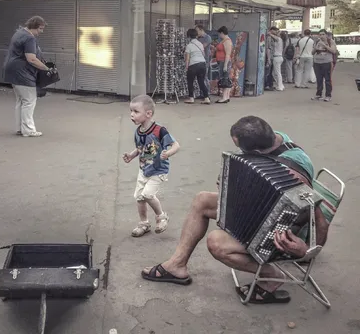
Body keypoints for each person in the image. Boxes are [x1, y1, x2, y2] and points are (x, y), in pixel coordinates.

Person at [141, 116, 330, 304]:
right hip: (259, 212)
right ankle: (177, 265)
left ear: (256, 150)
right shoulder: (276, 138)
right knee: (202, 200)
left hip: (282, 234)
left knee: (216, 243)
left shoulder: (294, 174)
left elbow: (319, 218)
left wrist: (307, 251)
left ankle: (271, 276)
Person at [123, 95, 180, 237]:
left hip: (158, 170)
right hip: (144, 170)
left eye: (136, 111)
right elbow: (140, 148)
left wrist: (168, 153)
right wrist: (131, 155)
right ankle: (144, 223)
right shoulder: (138, 132)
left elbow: (176, 145)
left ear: (148, 114)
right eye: (131, 111)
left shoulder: (159, 130)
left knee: (147, 194)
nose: (131, 114)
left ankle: (161, 217)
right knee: (139, 197)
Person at [4, 16, 50, 137]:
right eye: (40, 28)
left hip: (13, 71)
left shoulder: (19, 33)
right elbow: (32, 59)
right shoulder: (29, 38)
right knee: (29, 101)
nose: (41, 31)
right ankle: (29, 130)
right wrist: (46, 68)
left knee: (21, 101)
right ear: (34, 26)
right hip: (23, 73)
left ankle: (20, 128)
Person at [184, 29, 211, 105]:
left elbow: (187, 59)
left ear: (189, 36)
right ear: (196, 36)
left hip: (193, 65)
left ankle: (191, 98)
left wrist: (187, 67)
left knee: (190, 81)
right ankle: (206, 98)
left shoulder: (189, 46)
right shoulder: (200, 44)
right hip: (202, 64)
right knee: (201, 82)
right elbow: (204, 54)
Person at [311, 29, 337, 102]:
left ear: (326, 35)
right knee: (319, 79)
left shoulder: (330, 41)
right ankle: (318, 94)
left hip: (327, 62)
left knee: (327, 80)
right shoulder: (317, 42)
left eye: (323, 34)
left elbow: (333, 51)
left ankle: (328, 95)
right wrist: (315, 49)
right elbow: (312, 53)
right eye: (320, 34)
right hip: (317, 63)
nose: (321, 36)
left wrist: (325, 46)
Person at [215, 26, 233, 103]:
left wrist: (225, 65)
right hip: (221, 61)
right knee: (225, 79)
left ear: (222, 33)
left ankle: (224, 97)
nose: (219, 35)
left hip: (224, 62)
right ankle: (226, 96)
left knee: (225, 79)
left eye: (220, 34)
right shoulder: (223, 41)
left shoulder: (227, 41)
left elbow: (228, 54)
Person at [195, 25, 212, 95]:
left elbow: (202, 46)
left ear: (201, 30)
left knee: (204, 77)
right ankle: (201, 93)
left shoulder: (207, 37)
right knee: (199, 78)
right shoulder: (197, 38)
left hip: (205, 60)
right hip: (197, 60)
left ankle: (207, 93)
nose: (196, 32)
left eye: (197, 31)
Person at [268, 27, 284, 91]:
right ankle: (280, 85)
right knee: (275, 73)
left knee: (277, 73)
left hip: (277, 57)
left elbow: (275, 38)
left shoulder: (279, 39)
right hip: (279, 57)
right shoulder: (280, 40)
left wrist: (269, 34)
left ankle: (280, 86)